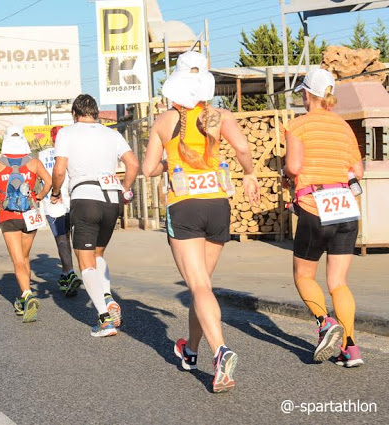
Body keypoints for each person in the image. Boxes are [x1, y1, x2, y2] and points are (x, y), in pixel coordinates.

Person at [142, 51, 260, 393]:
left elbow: (149, 168)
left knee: (199, 286)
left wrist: (169, 164)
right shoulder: (220, 115)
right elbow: (241, 146)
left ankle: (219, 351)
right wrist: (250, 174)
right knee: (203, 285)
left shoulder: (166, 121)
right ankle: (191, 350)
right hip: (217, 205)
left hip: (185, 206)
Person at [284, 69, 365, 367]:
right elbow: (358, 171)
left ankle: (324, 322)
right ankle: (351, 348)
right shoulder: (344, 127)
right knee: (338, 282)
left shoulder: (298, 125)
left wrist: (285, 173)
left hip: (314, 206)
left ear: (307, 94)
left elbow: (293, 166)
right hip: (345, 209)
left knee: (304, 276)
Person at [52, 94, 139, 337]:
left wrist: (56, 191)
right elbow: (132, 164)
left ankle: (104, 319)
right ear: (96, 112)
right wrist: (125, 189)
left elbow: (59, 169)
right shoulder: (112, 134)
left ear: (74, 113)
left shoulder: (67, 133)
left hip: (85, 196)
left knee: (85, 259)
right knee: (99, 253)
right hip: (111, 199)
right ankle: (108, 297)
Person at [0, 126, 52, 322]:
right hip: (30, 214)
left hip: (8, 216)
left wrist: (1, 194)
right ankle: (24, 297)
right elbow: (48, 182)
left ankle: (27, 294)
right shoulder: (34, 162)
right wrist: (38, 196)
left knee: (18, 260)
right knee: (25, 256)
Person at [39, 125, 82, 295]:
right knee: (66, 238)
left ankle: (68, 273)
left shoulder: (43, 155)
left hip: (57, 201)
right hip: (67, 200)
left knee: (62, 239)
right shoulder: (72, 153)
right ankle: (67, 273)